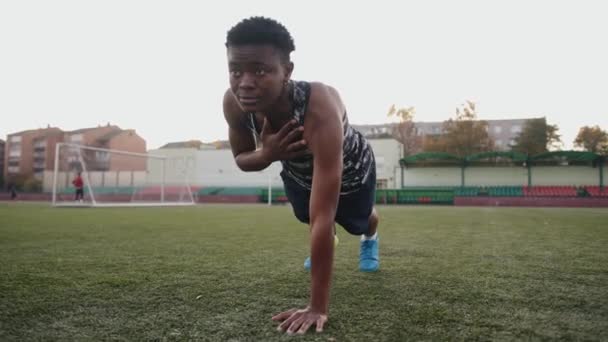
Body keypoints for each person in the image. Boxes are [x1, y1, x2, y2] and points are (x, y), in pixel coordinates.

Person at [222, 17, 380, 335]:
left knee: (356, 220)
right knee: (312, 219)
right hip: (296, 168)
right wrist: (267, 154)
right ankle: (326, 244)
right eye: (236, 70)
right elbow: (242, 159)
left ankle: (370, 239)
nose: (245, 82)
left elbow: (325, 212)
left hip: (351, 168)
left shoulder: (318, 107)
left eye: (260, 70)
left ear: (287, 71)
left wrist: (317, 307)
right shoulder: (235, 104)